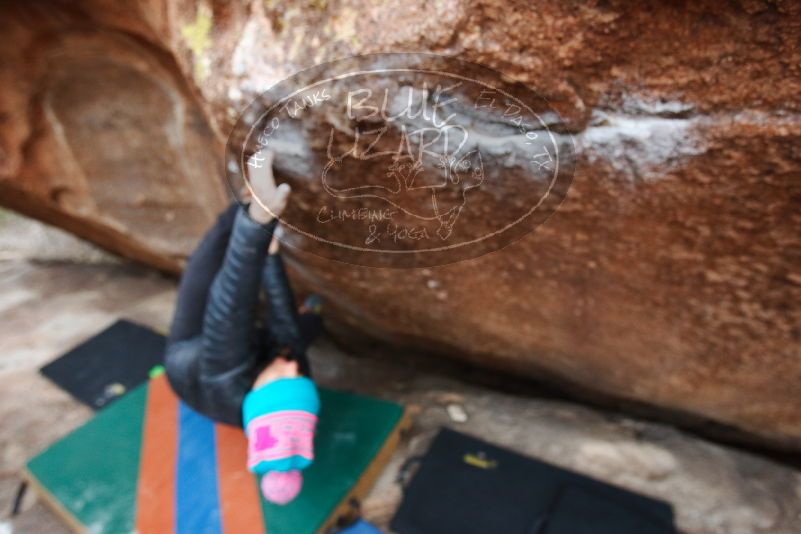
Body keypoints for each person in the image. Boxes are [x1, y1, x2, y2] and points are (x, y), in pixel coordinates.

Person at [164, 149, 322, 505]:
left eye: (285, 377)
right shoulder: (290, 380)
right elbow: (287, 333)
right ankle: (254, 214)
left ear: (256, 391)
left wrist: (258, 222)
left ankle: (246, 201)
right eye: (301, 377)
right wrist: (270, 255)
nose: (293, 368)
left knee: (205, 265)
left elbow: (230, 302)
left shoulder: (226, 377)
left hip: (192, 354)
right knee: (305, 327)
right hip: (248, 359)